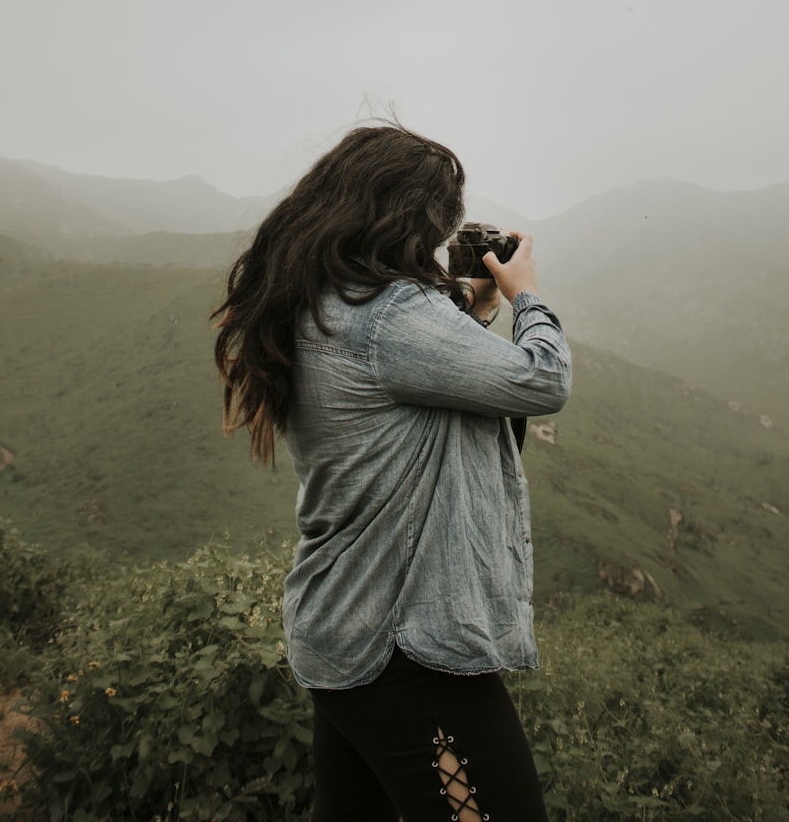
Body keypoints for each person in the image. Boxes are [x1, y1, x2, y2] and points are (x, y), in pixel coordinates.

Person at [213, 123, 571, 822]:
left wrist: (469, 311)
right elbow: (542, 379)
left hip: (340, 633)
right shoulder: (393, 317)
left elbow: (397, 383)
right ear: (406, 218)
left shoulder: (318, 300)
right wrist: (526, 296)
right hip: (405, 651)